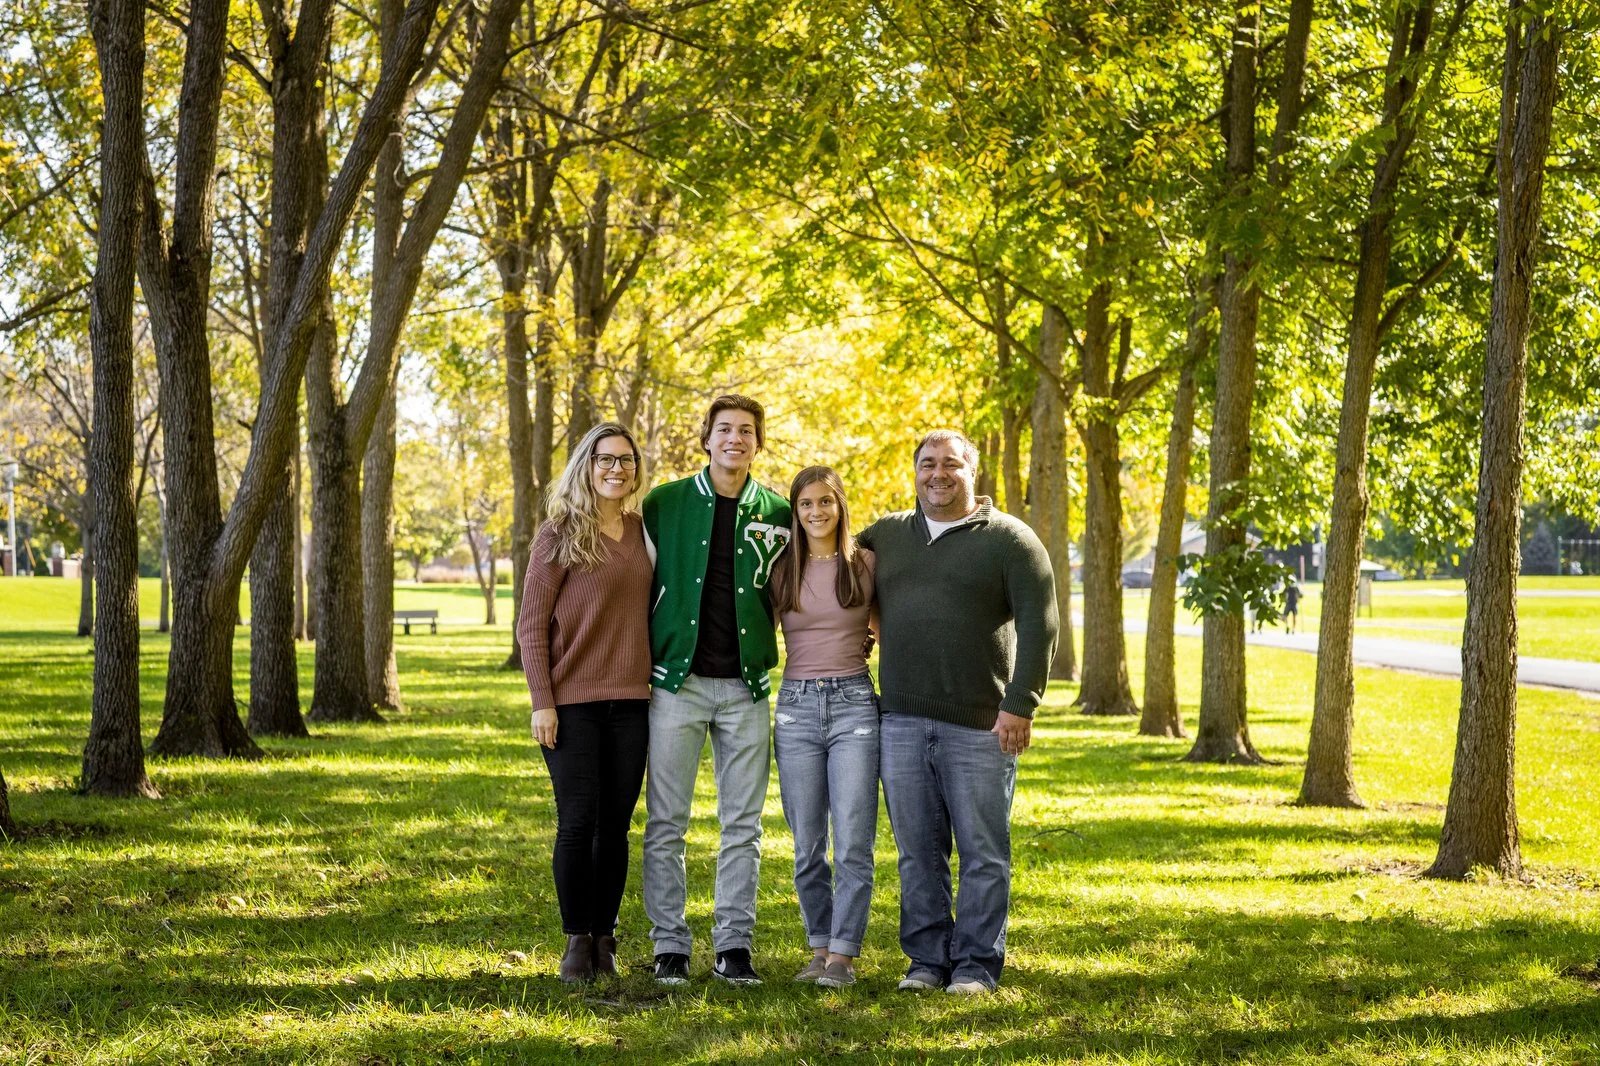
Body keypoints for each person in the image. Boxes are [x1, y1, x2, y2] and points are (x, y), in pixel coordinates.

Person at [857, 429, 1058, 995]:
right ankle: (925, 961)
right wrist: (865, 629)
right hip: (898, 721)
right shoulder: (887, 534)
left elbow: (1041, 625)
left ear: (973, 471)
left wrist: (1021, 704)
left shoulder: (1012, 541)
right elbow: (847, 581)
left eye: (951, 464)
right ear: (914, 471)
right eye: (927, 464)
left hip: (981, 724)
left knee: (982, 852)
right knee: (917, 853)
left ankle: (974, 964)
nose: (938, 474)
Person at [641, 395, 793, 986]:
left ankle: (734, 946)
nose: (735, 438)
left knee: (743, 824)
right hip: (677, 684)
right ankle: (670, 947)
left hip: (748, 688)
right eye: (725, 429)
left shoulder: (778, 512)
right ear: (706, 438)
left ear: (758, 442)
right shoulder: (665, 504)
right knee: (666, 821)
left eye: (747, 431)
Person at [516, 422, 653, 984]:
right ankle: (576, 938)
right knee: (577, 823)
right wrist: (542, 702)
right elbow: (531, 624)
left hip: (634, 703)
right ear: (586, 466)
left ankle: (604, 936)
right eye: (605, 460)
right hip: (572, 704)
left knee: (615, 828)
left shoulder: (646, 533)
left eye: (625, 460)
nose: (616, 469)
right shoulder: (558, 533)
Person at [768, 466, 878, 989]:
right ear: (796, 510)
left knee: (853, 838)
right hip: (795, 708)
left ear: (840, 506)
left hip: (855, 705)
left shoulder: (865, 564)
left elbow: (885, 626)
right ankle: (818, 946)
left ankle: (843, 956)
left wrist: (871, 644)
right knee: (808, 841)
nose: (816, 512)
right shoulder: (780, 568)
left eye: (825, 502)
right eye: (806, 503)